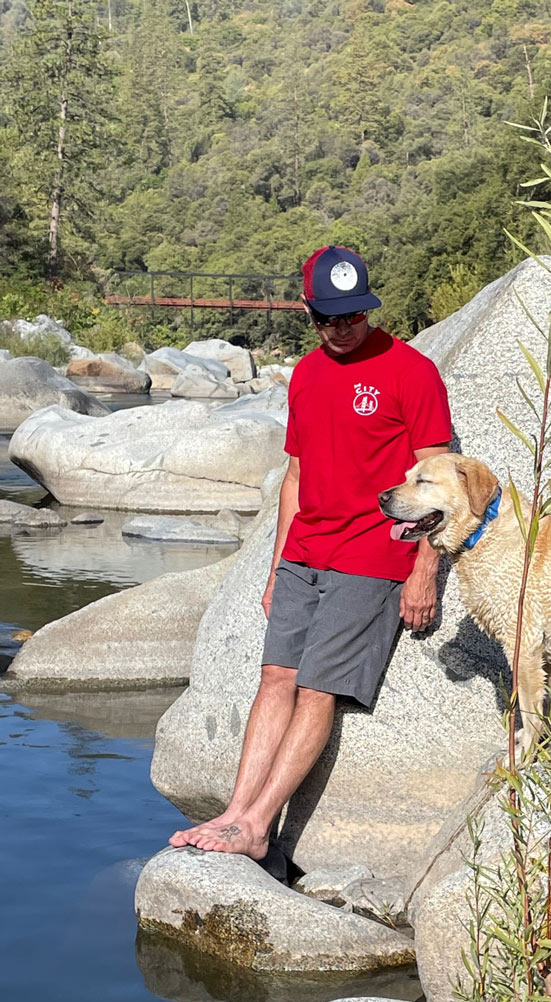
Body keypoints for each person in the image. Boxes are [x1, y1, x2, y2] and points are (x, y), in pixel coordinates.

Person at [169, 245, 452, 859]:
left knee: (318, 689)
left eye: (353, 315)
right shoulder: (307, 373)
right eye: (329, 317)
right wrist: (274, 570)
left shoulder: (412, 372)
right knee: (275, 677)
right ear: (308, 311)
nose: (342, 327)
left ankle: (257, 825)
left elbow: (439, 478)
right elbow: (295, 475)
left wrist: (425, 568)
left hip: (373, 557)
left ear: (368, 308)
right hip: (305, 552)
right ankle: (236, 810)